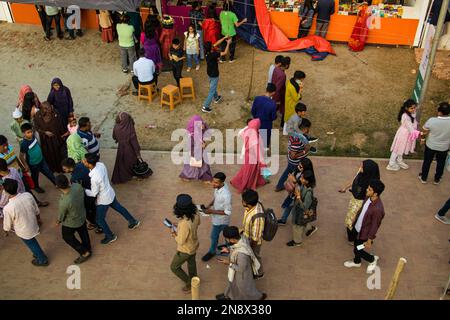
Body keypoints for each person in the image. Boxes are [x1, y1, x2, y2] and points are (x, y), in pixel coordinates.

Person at [83, 153, 140, 244]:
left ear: (89, 164)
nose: (83, 161)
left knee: (99, 219)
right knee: (119, 208)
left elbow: (94, 193)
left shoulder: (94, 178)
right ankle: (133, 221)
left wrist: (84, 190)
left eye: (84, 161)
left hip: (103, 199)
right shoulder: (100, 165)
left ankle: (110, 236)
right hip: (109, 193)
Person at [2, 179, 49, 266]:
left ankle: (42, 259)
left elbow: (7, 225)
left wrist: (6, 230)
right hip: (33, 223)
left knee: (32, 243)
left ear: (6, 192)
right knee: (32, 242)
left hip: (23, 230)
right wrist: (38, 219)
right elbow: (36, 209)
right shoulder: (27, 195)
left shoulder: (8, 208)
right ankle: (37, 254)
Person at [344, 179, 385, 274]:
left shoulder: (378, 209)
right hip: (358, 228)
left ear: (375, 194)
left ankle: (371, 259)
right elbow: (362, 210)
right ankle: (357, 261)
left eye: (370, 189)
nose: (367, 189)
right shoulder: (368, 198)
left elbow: (375, 226)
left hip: (364, 234)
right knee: (357, 246)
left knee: (357, 249)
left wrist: (369, 240)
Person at [216, 226, 267, 300]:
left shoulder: (242, 255)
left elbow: (241, 269)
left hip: (242, 276)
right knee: (233, 284)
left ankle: (258, 297)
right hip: (236, 273)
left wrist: (228, 263)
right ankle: (228, 296)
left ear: (233, 240)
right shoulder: (242, 238)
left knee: (245, 289)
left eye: (227, 239)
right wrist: (228, 249)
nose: (226, 240)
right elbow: (235, 247)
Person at [339, 160, 380, 243]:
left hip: (360, 203)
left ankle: (351, 239)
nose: (360, 167)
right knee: (351, 219)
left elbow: (371, 197)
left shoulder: (371, 185)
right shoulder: (361, 174)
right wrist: (345, 188)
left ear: (368, 170)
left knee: (351, 221)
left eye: (362, 167)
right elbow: (354, 180)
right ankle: (352, 235)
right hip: (354, 199)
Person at [0, 136, 48, 207]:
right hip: (10, 182)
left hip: (19, 174)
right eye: (3, 146)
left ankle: (37, 203)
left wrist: (23, 167)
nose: (6, 147)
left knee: (27, 190)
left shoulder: (10, 147)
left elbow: (15, 158)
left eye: (7, 144)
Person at [55, 174, 92, 264]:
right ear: (68, 181)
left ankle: (84, 252)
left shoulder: (64, 201)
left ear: (57, 186)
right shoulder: (77, 186)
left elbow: (62, 214)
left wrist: (58, 221)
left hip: (71, 222)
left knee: (67, 237)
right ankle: (87, 247)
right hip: (82, 215)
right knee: (83, 232)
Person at [169, 194, 201, 293]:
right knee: (191, 263)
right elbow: (197, 223)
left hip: (185, 250)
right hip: (194, 244)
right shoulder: (195, 213)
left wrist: (174, 234)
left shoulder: (184, 224)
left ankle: (189, 283)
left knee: (174, 267)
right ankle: (195, 279)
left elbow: (180, 241)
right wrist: (178, 224)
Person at [62, 158, 100, 232]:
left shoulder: (74, 178)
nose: (64, 170)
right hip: (94, 189)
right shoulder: (81, 165)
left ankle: (95, 223)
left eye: (65, 169)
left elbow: (77, 191)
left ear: (70, 167)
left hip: (88, 195)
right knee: (93, 207)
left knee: (88, 211)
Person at [200, 172, 232, 262]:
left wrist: (211, 211)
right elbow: (216, 198)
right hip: (216, 217)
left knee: (214, 236)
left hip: (221, 220)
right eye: (213, 181)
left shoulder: (226, 195)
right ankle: (228, 247)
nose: (213, 184)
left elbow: (228, 212)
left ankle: (212, 251)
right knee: (226, 234)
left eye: (216, 183)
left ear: (222, 183)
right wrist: (209, 205)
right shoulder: (219, 187)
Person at [112, 112, 150, 184]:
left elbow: (114, 137)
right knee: (131, 162)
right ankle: (132, 174)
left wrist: (119, 140)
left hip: (121, 148)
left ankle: (124, 176)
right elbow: (134, 142)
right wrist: (137, 153)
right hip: (130, 149)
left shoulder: (116, 127)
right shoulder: (129, 128)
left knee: (122, 162)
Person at [230, 119, 267, 193]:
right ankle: (246, 185)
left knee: (246, 170)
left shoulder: (248, 131)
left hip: (248, 155)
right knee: (250, 171)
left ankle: (238, 181)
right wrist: (262, 161)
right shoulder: (254, 135)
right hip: (252, 157)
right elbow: (256, 150)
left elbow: (241, 133)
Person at [275, 120, 312, 192]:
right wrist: (305, 151)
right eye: (309, 128)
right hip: (296, 162)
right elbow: (293, 156)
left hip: (292, 161)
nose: (309, 130)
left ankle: (279, 186)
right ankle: (295, 190)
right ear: (305, 129)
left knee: (287, 172)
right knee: (298, 176)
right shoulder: (297, 140)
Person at [418, 102, 450, 185]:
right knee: (441, 163)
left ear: (439, 112)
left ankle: (423, 178)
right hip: (444, 147)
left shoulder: (432, 120)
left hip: (431, 146)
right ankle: (437, 179)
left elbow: (424, 132)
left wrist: (422, 140)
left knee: (427, 162)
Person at [19, 123, 56, 193]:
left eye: (31, 131)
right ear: (23, 133)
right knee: (35, 177)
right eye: (28, 133)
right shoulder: (24, 144)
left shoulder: (33, 137)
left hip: (41, 160)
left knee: (49, 172)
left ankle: (56, 183)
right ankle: (36, 187)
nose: (31, 134)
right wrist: (26, 165)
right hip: (33, 164)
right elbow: (21, 156)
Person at [33, 101, 69, 173]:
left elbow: (62, 125)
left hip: (57, 140)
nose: (51, 109)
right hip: (46, 142)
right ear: (43, 109)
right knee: (49, 155)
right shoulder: (38, 116)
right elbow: (36, 127)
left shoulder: (56, 114)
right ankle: (52, 168)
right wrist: (45, 132)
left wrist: (63, 135)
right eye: (48, 108)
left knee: (59, 154)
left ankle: (61, 169)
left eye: (50, 107)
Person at [278, 157, 315, 225]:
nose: (298, 167)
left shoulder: (306, 176)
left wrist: (294, 181)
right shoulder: (298, 171)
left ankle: (308, 227)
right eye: (298, 165)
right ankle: (283, 220)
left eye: (300, 166)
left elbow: (302, 187)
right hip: (294, 194)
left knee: (300, 211)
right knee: (289, 206)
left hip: (299, 196)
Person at [287, 170, 318, 246]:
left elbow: (304, 207)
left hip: (301, 212)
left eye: (302, 178)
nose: (300, 179)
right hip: (298, 210)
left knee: (297, 226)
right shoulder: (304, 185)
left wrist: (298, 196)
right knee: (304, 222)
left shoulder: (308, 193)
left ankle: (297, 241)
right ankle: (310, 229)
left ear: (307, 181)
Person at [387, 99, 419, 171]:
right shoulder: (405, 116)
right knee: (397, 148)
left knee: (402, 147)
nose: (414, 109)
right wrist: (420, 133)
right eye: (412, 108)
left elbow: (413, 118)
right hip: (403, 134)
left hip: (407, 134)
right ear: (406, 108)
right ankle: (391, 164)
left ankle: (399, 160)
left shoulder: (411, 113)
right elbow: (411, 128)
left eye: (414, 107)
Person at [201, 36, 232, 113]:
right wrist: (228, 43)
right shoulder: (213, 54)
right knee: (212, 90)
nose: (213, 45)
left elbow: (216, 43)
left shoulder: (207, 52)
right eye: (212, 45)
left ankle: (216, 98)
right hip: (214, 74)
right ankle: (205, 106)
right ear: (211, 47)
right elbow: (225, 53)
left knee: (212, 85)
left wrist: (224, 37)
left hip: (209, 73)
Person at [179, 115, 213, 182]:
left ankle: (205, 178)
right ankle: (185, 176)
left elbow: (207, 132)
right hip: (193, 153)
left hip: (202, 152)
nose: (201, 126)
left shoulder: (201, 129)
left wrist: (204, 126)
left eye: (202, 123)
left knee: (204, 166)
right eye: (199, 124)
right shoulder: (190, 135)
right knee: (190, 167)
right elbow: (189, 147)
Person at [240, 189, 265, 278]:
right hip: (247, 236)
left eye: (243, 201)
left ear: (249, 204)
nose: (241, 202)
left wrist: (250, 248)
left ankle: (259, 273)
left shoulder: (257, 217)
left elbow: (255, 238)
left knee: (255, 256)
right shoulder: (252, 206)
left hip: (253, 243)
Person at [251, 83, 277, 149]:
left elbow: (253, 111)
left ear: (266, 89)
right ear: (273, 92)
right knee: (265, 142)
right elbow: (273, 117)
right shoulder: (273, 104)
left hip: (256, 122)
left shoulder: (257, 98)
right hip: (266, 125)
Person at [272, 57, 288, 128]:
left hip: (274, 91)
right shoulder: (282, 75)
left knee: (275, 107)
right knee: (277, 106)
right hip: (279, 94)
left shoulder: (276, 69)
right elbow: (278, 88)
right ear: (287, 65)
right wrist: (277, 100)